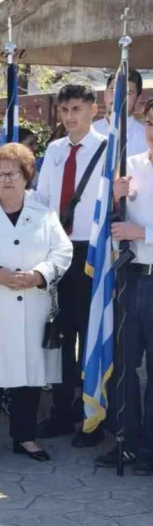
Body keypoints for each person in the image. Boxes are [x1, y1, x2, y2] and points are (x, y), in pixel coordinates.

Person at [0, 143, 73, 461]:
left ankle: (25, 437)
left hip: (30, 302)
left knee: (27, 373)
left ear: (27, 176)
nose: (6, 179)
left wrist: (40, 274)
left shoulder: (44, 215)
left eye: (13, 173)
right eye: (1, 173)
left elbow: (63, 252)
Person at [35, 83, 108, 445]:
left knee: (89, 333)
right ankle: (61, 411)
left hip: (92, 253)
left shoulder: (109, 149)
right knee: (61, 334)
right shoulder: (53, 150)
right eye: (64, 111)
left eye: (77, 109)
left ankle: (91, 415)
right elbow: (43, 199)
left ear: (93, 109)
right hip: (58, 250)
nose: (70, 117)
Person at [95, 98, 153, 474]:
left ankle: (150, 449)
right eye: (150, 123)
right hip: (131, 278)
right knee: (124, 365)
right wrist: (114, 198)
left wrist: (144, 234)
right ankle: (126, 441)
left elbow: (137, 230)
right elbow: (110, 224)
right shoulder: (130, 167)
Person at [94, 69, 147, 157]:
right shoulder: (89, 132)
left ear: (138, 99)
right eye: (113, 90)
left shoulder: (146, 139)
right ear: (105, 95)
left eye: (128, 93)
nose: (118, 96)